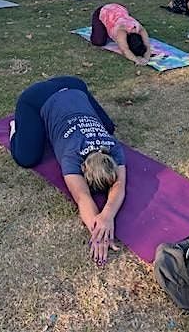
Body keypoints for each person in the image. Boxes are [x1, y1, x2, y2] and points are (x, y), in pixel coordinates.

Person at [9, 76, 126, 265]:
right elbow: (82, 197)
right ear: (82, 170)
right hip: (37, 98)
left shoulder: (113, 146)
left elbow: (119, 185)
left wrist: (107, 216)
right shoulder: (72, 156)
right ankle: (17, 127)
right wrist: (98, 234)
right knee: (26, 158)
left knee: (109, 128)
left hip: (74, 85)